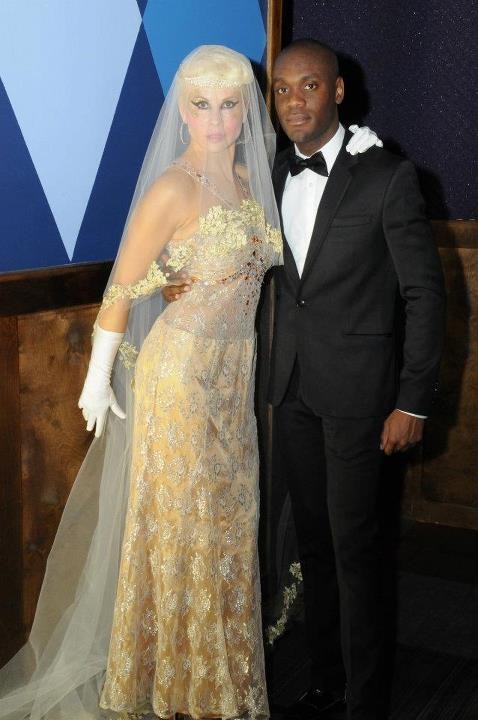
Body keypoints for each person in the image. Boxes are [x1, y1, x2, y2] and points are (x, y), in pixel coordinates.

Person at [0, 45, 284, 720]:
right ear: (182, 110)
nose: (216, 119)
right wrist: (97, 380)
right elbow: (122, 288)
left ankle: (213, 682)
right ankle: (187, 689)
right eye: (201, 104)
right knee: (188, 527)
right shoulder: (172, 188)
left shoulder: (250, 179)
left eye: (229, 104)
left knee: (229, 525)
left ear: (245, 108)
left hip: (233, 378)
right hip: (180, 377)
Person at [267, 39, 446, 720]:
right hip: (292, 389)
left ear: (338, 91)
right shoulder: (272, 172)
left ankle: (366, 703)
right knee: (312, 545)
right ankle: (326, 680)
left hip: (362, 397)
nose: (294, 102)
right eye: (283, 89)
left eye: (309, 86)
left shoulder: (388, 176)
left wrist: (413, 402)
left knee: (357, 550)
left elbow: (425, 296)